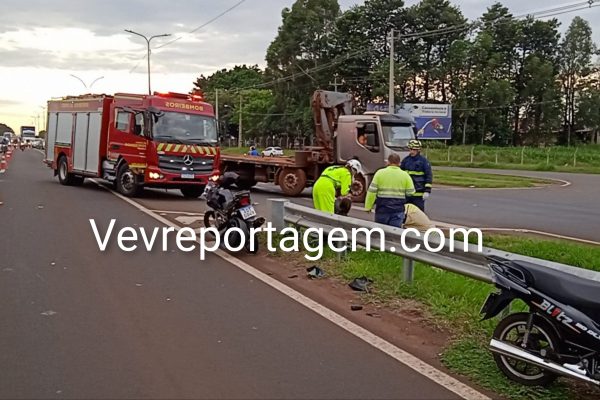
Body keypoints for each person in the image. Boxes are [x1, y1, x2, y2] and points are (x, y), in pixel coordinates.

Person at [365, 153, 415, 228]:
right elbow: (411, 192)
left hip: (382, 209)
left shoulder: (380, 173)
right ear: (399, 163)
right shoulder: (405, 175)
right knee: (393, 232)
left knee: (381, 232)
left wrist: (368, 207)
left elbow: (372, 192)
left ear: (388, 162)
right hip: (398, 210)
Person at [401, 139, 432, 212]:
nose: (412, 151)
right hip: (407, 194)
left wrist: (427, 191)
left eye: (414, 150)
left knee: (419, 213)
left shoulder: (424, 161)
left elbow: (428, 176)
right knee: (405, 213)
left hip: (419, 194)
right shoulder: (405, 160)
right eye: (411, 149)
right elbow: (401, 175)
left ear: (418, 150)